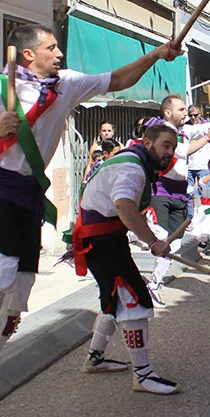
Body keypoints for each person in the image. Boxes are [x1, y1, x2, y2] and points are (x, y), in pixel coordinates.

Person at [0, 24, 181, 417]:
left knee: (20, 290)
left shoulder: (65, 84)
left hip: (29, 191)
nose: (60, 54)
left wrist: (155, 55)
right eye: (51, 48)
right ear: (28, 54)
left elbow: (118, 79)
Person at [75, 124, 181, 394]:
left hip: (102, 238)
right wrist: (153, 242)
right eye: (165, 145)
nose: (169, 152)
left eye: (173, 147)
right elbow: (124, 205)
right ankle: (143, 374)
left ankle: (94, 358)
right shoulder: (133, 168)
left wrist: (144, 235)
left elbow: (123, 207)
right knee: (133, 301)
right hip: (102, 240)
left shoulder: (132, 161)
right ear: (147, 143)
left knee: (113, 302)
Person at [143, 95, 210, 303]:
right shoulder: (161, 131)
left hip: (180, 192)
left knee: (173, 244)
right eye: (182, 110)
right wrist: (208, 137)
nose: (186, 113)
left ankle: (154, 282)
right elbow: (183, 152)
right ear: (167, 112)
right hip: (160, 191)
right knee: (162, 236)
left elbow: (209, 128)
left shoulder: (183, 130)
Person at [189, 158, 210, 266]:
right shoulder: (206, 178)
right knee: (200, 231)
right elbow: (202, 183)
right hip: (205, 209)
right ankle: (203, 241)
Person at [185, 105, 210, 220]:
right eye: (190, 115)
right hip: (189, 166)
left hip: (203, 165)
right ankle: (190, 218)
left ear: (200, 114)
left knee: (205, 192)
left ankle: (206, 218)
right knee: (189, 193)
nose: (192, 117)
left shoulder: (207, 126)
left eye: (195, 115)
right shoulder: (185, 126)